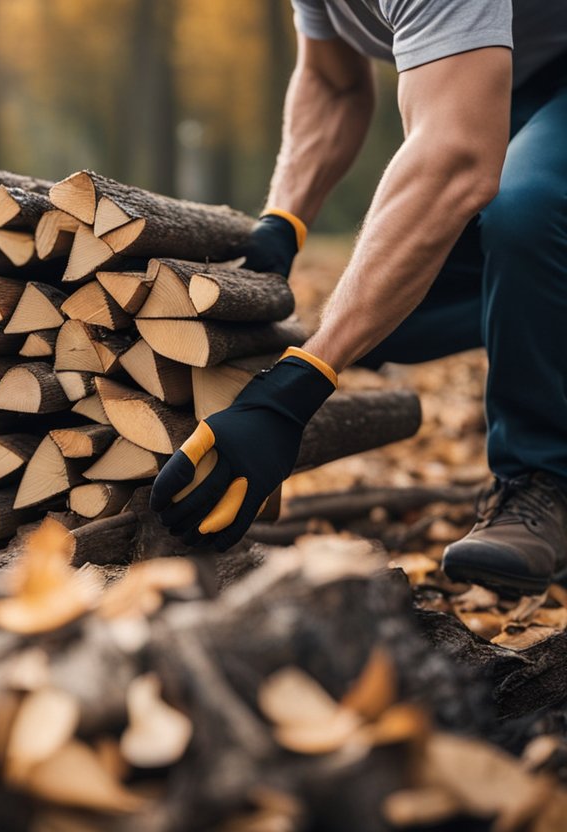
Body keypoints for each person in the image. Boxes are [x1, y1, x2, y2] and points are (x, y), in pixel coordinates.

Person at [150, 1, 567, 596]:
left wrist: (297, 390)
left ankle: (541, 478)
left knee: (526, 212)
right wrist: (284, 220)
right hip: (508, 79)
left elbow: (456, 157)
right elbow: (333, 81)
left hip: (528, 89)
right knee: (388, 312)